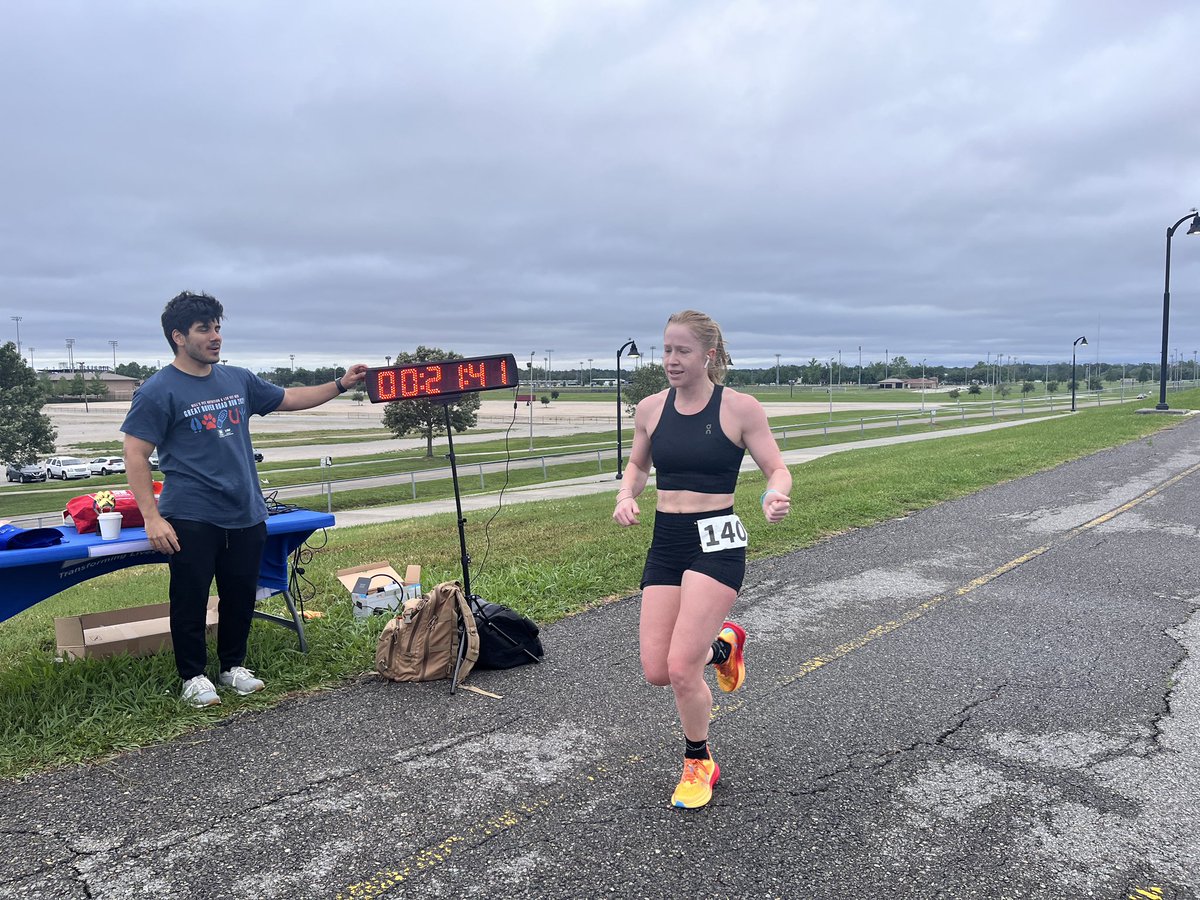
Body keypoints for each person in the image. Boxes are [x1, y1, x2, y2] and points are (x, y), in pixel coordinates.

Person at [121, 291, 367, 708]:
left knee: (239, 595)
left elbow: (290, 399)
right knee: (191, 599)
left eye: (218, 327)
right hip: (192, 515)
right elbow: (135, 453)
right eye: (205, 329)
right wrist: (151, 517)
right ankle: (193, 676)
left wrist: (342, 383)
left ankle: (232, 666)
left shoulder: (238, 379)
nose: (215, 336)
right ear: (179, 336)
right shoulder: (157, 390)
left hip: (247, 512)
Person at [613, 309, 791, 809]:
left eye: (682, 350)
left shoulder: (740, 408)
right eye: (666, 349)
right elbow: (636, 465)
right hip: (667, 537)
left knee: (681, 667)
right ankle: (724, 646)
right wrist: (626, 494)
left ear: (709, 354)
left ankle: (699, 760)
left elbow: (776, 468)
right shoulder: (650, 408)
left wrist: (773, 496)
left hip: (718, 538)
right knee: (657, 669)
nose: (670, 359)